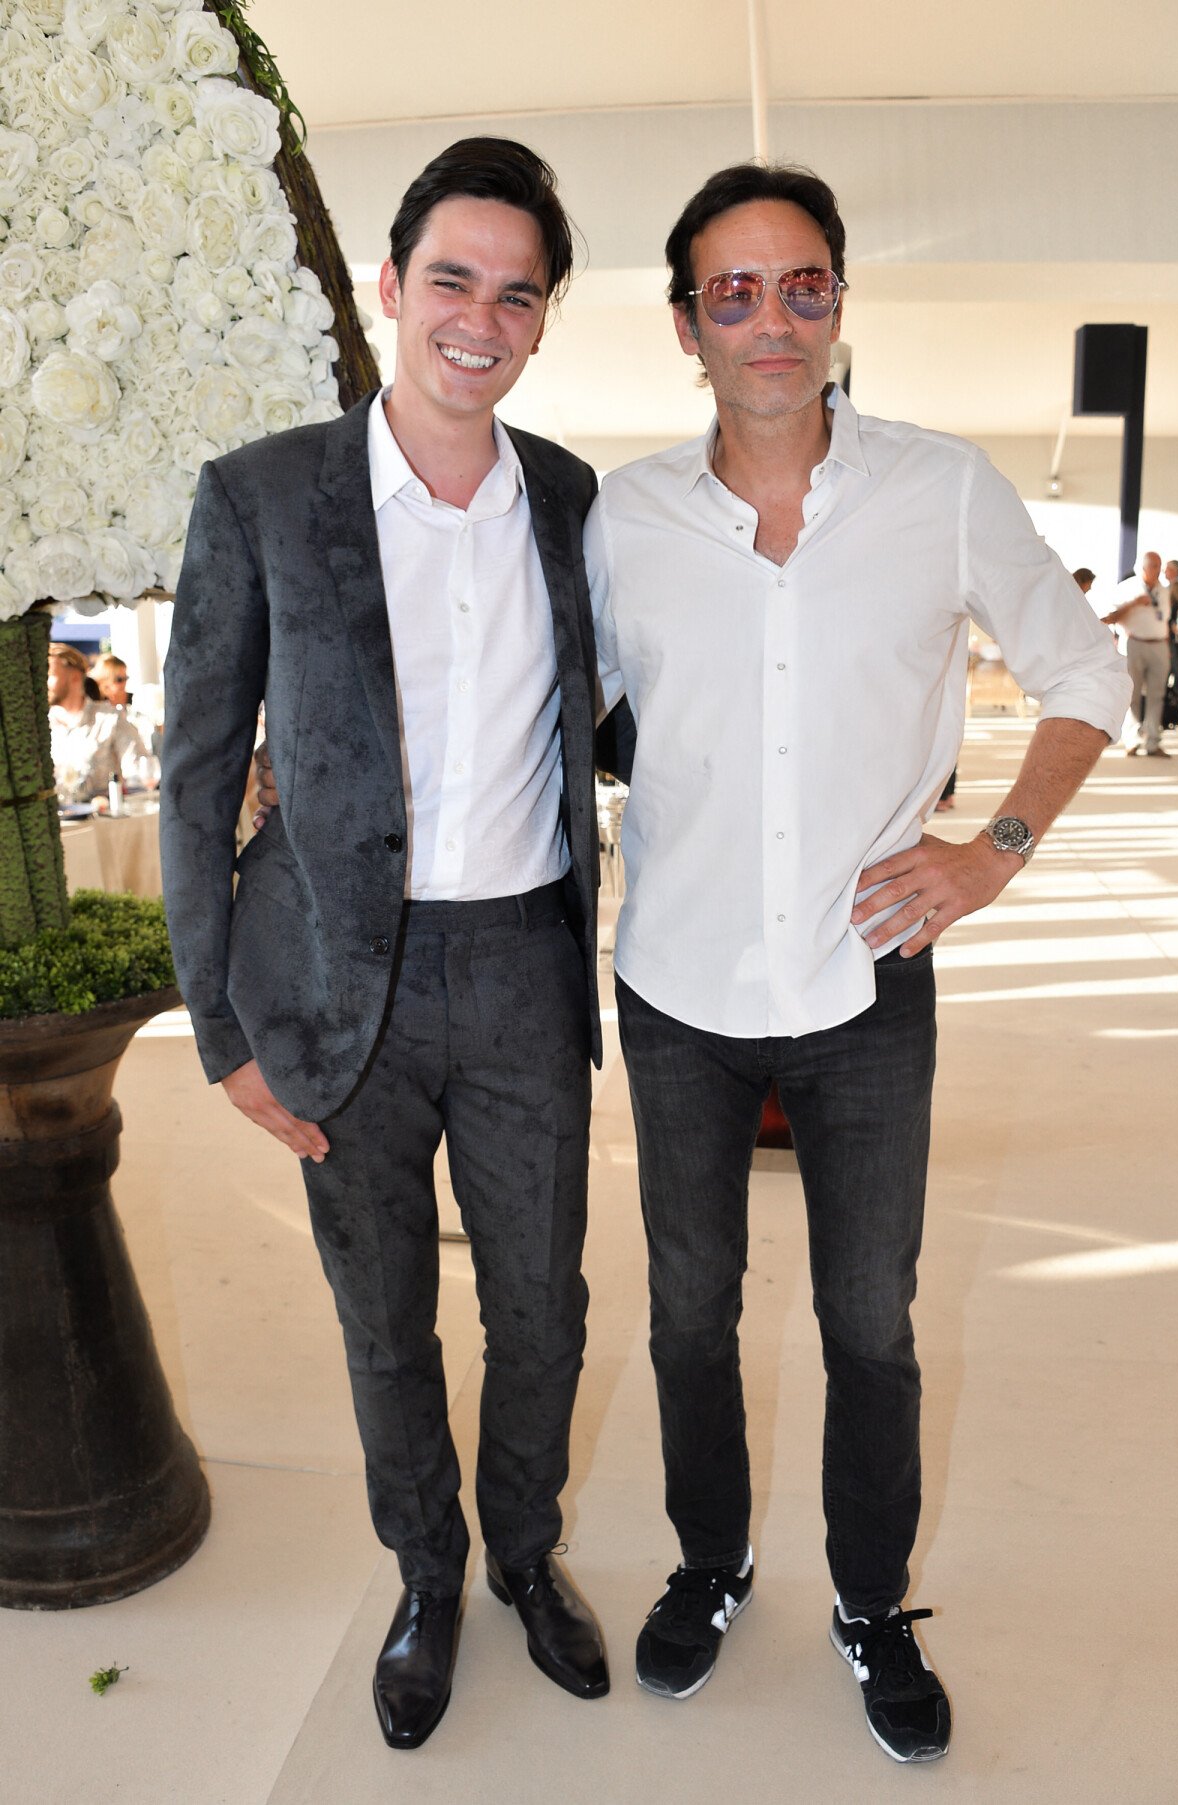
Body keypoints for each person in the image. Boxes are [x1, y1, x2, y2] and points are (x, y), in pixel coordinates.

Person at [584, 161, 1130, 1764]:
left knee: (869, 1319)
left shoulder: (941, 487)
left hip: (867, 982)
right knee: (690, 1311)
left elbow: (1085, 671)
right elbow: (562, 701)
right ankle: (709, 1560)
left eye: (801, 282)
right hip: (677, 981)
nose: (771, 318)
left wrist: (995, 850)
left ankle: (873, 1601)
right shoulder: (627, 515)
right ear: (688, 326)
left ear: (839, 301)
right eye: (733, 292)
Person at [160, 138, 612, 1753]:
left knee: (543, 1310)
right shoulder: (265, 493)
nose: (478, 318)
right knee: (384, 1317)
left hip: (523, 969)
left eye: (516, 292)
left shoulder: (570, 500)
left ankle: (528, 1562)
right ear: (392, 287)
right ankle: (428, 1574)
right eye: (451, 280)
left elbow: (619, 717)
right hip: (333, 979)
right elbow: (200, 769)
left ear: (543, 319)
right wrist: (218, 1026)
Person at [47, 641, 155, 803]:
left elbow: (139, 776)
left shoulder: (110, 719)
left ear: (75, 677)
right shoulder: (43, 728)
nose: (44, 683)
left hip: (105, 824)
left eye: (50, 675)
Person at [1101, 550, 1173, 755]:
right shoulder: (1127, 588)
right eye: (1154, 567)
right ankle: (1132, 740)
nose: (1158, 571)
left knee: (1157, 695)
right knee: (1132, 693)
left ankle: (1152, 741)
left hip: (1159, 644)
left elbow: (1164, 619)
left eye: (1160, 567)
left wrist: (1166, 647)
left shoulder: (1164, 590)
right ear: (1143, 568)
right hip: (1134, 643)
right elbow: (1110, 618)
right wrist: (1134, 604)